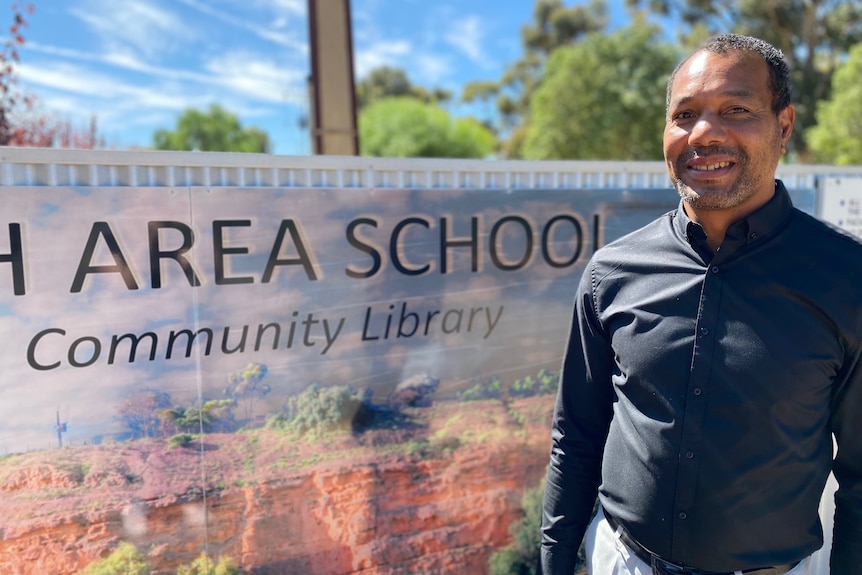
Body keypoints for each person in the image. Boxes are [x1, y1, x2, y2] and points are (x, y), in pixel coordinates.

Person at [539, 33, 862, 575]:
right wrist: (554, 559)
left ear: (783, 126)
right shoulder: (612, 273)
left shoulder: (847, 278)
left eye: (736, 109)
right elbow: (578, 433)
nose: (704, 133)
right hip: (621, 562)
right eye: (684, 114)